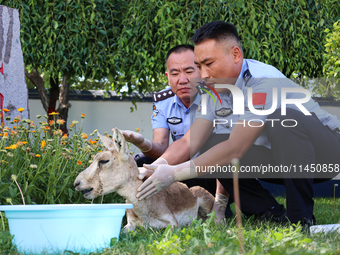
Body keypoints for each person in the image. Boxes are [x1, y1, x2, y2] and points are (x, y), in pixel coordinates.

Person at [136, 21, 340, 227]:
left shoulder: (262, 81)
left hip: (326, 152)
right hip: (282, 160)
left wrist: (174, 173)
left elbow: (236, 147)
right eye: (199, 66)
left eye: (209, 63)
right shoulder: (212, 89)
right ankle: (271, 213)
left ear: (235, 55)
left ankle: (301, 220)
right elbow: (190, 140)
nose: (203, 74)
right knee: (212, 142)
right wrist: (156, 167)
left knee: (282, 119)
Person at [120, 44, 231, 220]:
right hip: (178, 170)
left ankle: (219, 203)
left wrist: (219, 205)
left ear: (201, 71)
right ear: (167, 76)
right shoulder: (163, 101)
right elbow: (161, 148)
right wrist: (141, 142)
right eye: (175, 73)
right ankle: (139, 210)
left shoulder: (217, 96)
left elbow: (226, 152)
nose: (182, 79)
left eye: (189, 71)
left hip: (211, 171)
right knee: (141, 161)